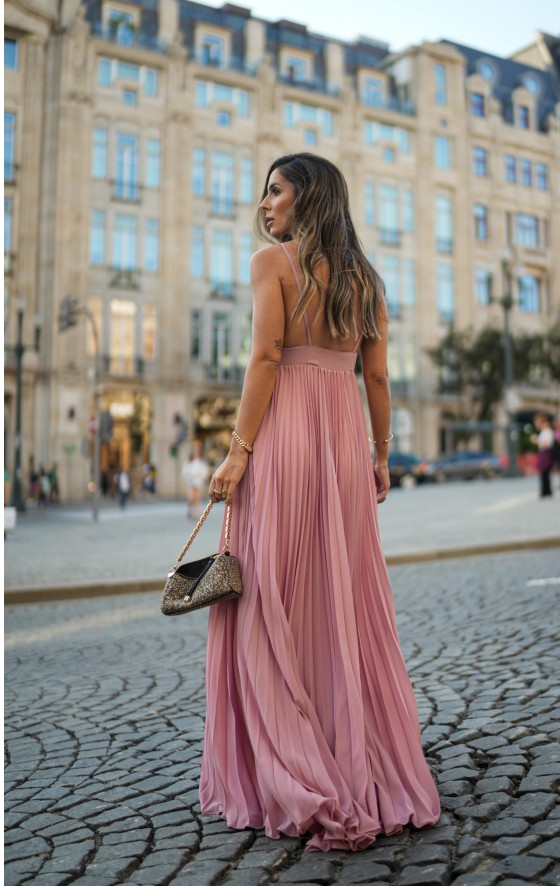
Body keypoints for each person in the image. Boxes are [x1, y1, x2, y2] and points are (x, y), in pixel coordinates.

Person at [200, 153, 440, 851]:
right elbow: (377, 375)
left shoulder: (273, 264)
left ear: (307, 199)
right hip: (341, 445)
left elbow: (267, 358)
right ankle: (354, 754)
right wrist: (381, 453)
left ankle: (293, 761)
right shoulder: (367, 279)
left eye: (276, 190)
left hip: (286, 443)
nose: (264, 202)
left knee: (272, 596)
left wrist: (238, 450)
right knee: (345, 602)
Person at [181, 444, 209, 518]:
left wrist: (201, 477)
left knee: (197, 498)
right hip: (190, 482)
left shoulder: (201, 463)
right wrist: (189, 478)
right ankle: (190, 509)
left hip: (199, 482)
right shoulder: (188, 462)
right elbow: (184, 472)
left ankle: (196, 512)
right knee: (191, 497)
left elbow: (205, 472)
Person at [534, 413, 555, 499]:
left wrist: (536, 440)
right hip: (543, 452)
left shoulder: (547, 431)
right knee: (543, 473)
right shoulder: (544, 431)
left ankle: (546, 491)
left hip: (546, 453)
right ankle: (545, 490)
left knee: (545, 472)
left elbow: (547, 444)